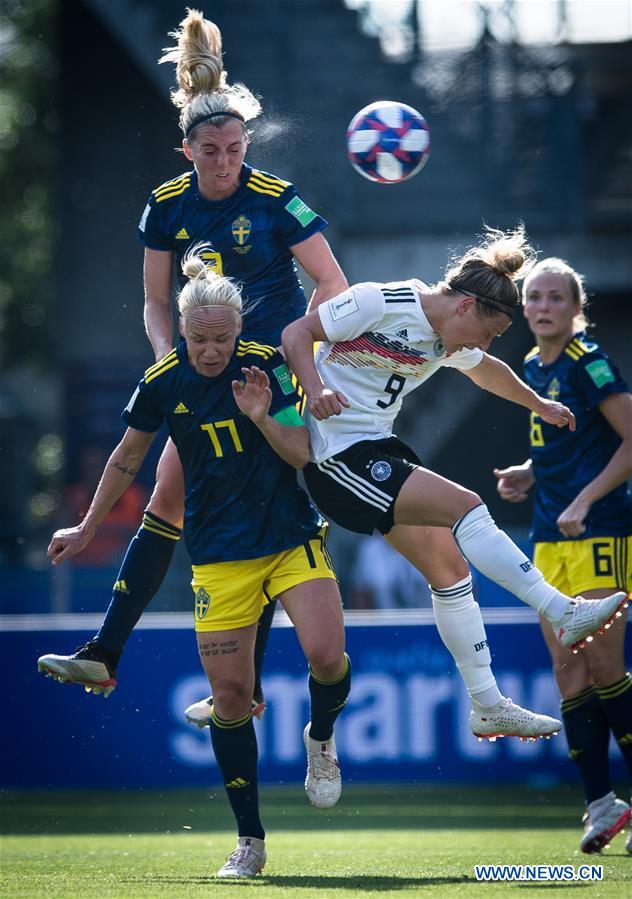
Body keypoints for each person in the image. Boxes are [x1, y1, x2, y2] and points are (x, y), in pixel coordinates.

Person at [37, 8, 347, 709]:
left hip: (270, 375)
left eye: (236, 148)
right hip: (204, 369)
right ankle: (116, 656)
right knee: (172, 495)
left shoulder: (276, 200)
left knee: (240, 501)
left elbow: (333, 284)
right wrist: (166, 362)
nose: (227, 161)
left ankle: (134, 657)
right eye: (212, 151)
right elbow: (154, 303)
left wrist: (298, 352)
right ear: (187, 153)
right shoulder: (166, 207)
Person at [44, 253, 351, 878]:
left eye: (222, 337)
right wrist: (87, 526)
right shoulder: (163, 381)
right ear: (181, 331)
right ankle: (251, 842)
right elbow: (127, 459)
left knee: (327, 656)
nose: (211, 350)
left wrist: (263, 416)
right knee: (232, 698)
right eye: (199, 338)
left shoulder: (264, 367)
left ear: (239, 329)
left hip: (290, 539)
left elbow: (301, 455)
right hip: (218, 558)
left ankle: (321, 740)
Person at [281, 226, 628, 742]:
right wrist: (315, 388)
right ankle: (562, 611)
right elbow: (295, 335)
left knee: (451, 570)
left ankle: (487, 706)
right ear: (466, 308)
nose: (485, 344)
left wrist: (541, 405)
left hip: (378, 450)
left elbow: (485, 370)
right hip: (336, 459)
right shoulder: (379, 301)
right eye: (488, 332)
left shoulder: (447, 337)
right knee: (467, 505)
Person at [494, 257, 632, 854]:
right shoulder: (529, 365)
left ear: (576, 308)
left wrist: (584, 498)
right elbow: (566, 445)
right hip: (549, 537)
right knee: (568, 670)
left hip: (600, 530)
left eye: (556, 298)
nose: (544, 307)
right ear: (523, 308)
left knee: (604, 665)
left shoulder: (589, 362)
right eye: (534, 298)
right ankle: (601, 804)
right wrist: (529, 474)